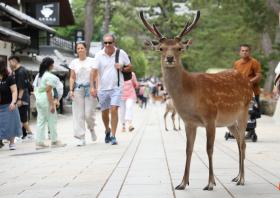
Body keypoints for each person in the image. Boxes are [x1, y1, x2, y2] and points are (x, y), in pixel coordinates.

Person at [90, 33, 132, 145]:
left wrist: (122, 67)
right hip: (102, 88)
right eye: (105, 42)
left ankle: (113, 135)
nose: (107, 45)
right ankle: (107, 130)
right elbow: (93, 72)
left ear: (114, 43)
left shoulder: (121, 53)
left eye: (110, 42)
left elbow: (130, 67)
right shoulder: (98, 55)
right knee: (104, 112)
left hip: (117, 87)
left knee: (114, 109)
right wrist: (92, 87)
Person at [69, 42, 98, 146]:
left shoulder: (92, 61)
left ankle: (91, 128)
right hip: (78, 89)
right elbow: (72, 77)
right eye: (78, 48)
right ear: (76, 50)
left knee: (88, 113)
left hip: (89, 89)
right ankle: (81, 137)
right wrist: (71, 90)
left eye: (82, 48)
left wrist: (95, 88)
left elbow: (96, 76)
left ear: (85, 49)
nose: (80, 50)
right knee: (79, 114)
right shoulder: (73, 62)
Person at [33, 57, 66, 149]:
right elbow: (48, 91)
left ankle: (39, 142)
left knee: (41, 120)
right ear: (50, 65)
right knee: (52, 119)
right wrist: (52, 104)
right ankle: (54, 140)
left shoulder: (39, 76)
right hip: (46, 99)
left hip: (39, 98)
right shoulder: (50, 76)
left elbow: (35, 88)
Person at [234, 44, 262, 139]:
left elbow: (258, 76)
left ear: (249, 52)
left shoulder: (254, 62)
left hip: (252, 91)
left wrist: (249, 81)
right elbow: (235, 76)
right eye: (242, 50)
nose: (244, 52)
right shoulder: (237, 63)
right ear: (240, 52)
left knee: (251, 112)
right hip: (240, 92)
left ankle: (251, 131)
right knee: (240, 111)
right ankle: (239, 130)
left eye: (246, 50)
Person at [8, 56, 33, 140]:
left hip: (22, 98)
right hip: (23, 97)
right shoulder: (19, 71)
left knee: (21, 117)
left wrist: (19, 99)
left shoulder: (20, 72)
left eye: (10, 62)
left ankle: (25, 134)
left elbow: (21, 87)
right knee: (22, 117)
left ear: (14, 61)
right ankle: (25, 134)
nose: (9, 64)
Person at [0, 58, 22, 150]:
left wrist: (13, 102)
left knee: (11, 123)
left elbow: (14, 91)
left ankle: (11, 142)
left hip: (9, 105)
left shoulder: (9, 77)